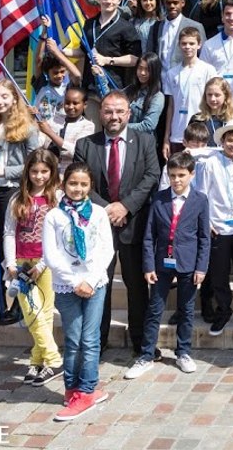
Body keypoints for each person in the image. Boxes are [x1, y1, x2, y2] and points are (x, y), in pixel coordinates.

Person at [73, 90, 162, 355]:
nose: (114, 116)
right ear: (100, 114)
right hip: (98, 228)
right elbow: (80, 183)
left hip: (134, 225)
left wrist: (126, 206)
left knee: (137, 287)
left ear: (129, 114)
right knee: (100, 284)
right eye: (109, 111)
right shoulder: (85, 145)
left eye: (119, 111)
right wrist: (108, 209)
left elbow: (152, 176)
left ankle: (141, 343)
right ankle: (96, 342)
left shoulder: (145, 141)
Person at [125, 152, 210, 379]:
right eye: (172, 175)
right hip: (161, 263)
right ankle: (146, 355)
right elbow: (149, 236)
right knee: (155, 309)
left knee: (186, 309)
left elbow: (204, 238)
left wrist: (201, 268)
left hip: (188, 263)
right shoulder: (159, 199)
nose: (177, 180)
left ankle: (183, 352)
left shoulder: (200, 200)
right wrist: (148, 266)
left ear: (191, 174)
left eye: (181, 175)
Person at [43, 162, 114, 422]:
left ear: (90, 186)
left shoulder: (98, 213)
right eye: (73, 183)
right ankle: (72, 387)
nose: (78, 188)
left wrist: (91, 280)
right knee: (73, 339)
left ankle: (87, 391)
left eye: (84, 184)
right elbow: (51, 255)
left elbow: (106, 249)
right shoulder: (54, 216)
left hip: (95, 283)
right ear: (63, 185)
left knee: (90, 338)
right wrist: (74, 282)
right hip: (67, 285)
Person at [0, 78, 41, 327]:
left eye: (4, 96)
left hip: (11, 189)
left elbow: (33, 165)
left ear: (15, 98)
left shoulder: (28, 127)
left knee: (12, 244)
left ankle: (18, 300)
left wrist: (3, 171)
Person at [2, 149, 63, 389]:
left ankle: (38, 361)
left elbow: (59, 236)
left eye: (44, 171)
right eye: (34, 171)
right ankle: (54, 359)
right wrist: (10, 263)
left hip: (46, 263)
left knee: (44, 313)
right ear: (27, 172)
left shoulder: (57, 198)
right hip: (21, 264)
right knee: (31, 312)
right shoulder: (17, 198)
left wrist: (43, 264)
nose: (39, 176)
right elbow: (9, 232)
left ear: (52, 172)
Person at [197, 119, 233, 335]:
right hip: (218, 227)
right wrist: (207, 222)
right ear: (222, 141)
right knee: (219, 275)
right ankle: (223, 310)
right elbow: (202, 194)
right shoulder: (210, 164)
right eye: (230, 140)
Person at [161, 27, 218, 158]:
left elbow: (214, 102)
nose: (188, 47)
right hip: (177, 134)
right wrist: (166, 137)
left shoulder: (208, 70)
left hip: (200, 133)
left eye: (191, 43)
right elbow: (171, 106)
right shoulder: (172, 73)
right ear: (179, 45)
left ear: (199, 44)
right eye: (184, 43)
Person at [79, 0, 142, 94]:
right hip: (90, 86)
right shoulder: (89, 24)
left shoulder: (126, 27)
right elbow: (82, 51)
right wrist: (57, 50)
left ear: (119, 0)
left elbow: (135, 59)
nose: (108, 1)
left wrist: (107, 60)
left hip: (113, 86)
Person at [151, 0, 207, 74]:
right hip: (161, 78)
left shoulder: (195, 26)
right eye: (168, 3)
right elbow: (151, 54)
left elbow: (204, 55)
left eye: (175, 3)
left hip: (186, 76)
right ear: (164, 3)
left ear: (182, 3)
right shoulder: (156, 27)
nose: (172, 6)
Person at [126, 52, 165, 147]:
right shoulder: (130, 89)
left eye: (147, 70)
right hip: (126, 141)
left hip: (143, 145)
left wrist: (122, 127)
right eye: (140, 68)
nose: (142, 73)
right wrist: (101, 78)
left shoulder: (157, 97)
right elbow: (112, 100)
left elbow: (148, 125)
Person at [193, 76, 233, 142]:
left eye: (217, 95)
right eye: (209, 95)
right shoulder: (197, 120)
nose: (212, 99)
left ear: (226, 96)